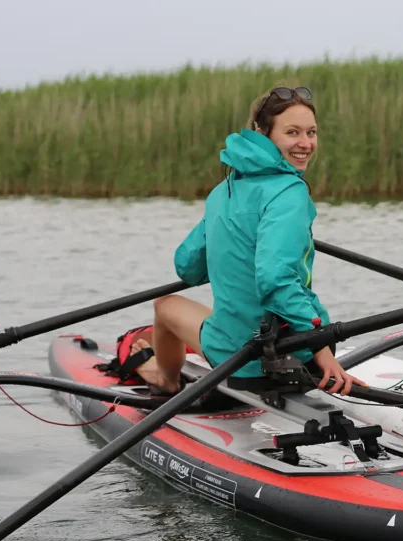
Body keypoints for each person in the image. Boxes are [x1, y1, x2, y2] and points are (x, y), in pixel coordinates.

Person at [129, 86, 364, 396]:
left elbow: (187, 267)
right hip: (292, 354)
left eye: (311, 132)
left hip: (231, 357)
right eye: (292, 132)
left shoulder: (222, 192)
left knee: (165, 305)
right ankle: (169, 379)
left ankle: (167, 381)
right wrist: (320, 347)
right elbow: (275, 278)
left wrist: (232, 245)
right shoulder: (290, 193)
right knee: (279, 287)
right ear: (262, 133)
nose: (306, 143)